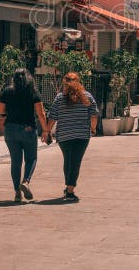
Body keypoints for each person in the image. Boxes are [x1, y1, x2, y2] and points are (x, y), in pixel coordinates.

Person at [44, 72, 99, 202]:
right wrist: (92, 128)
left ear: (65, 82)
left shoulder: (59, 98)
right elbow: (94, 115)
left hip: (64, 135)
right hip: (82, 135)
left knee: (68, 159)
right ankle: (70, 189)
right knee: (76, 161)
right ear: (79, 82)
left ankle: (69, 186)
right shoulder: (87, 96)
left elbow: (52, 116)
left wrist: (47, 131)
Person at [0, 68, 48, 202]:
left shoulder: (7, 91)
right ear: (29, 78)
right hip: (28, 129)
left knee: (16, 161)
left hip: (10, 129)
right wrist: (46, 130)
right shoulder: (33, 92)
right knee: (31, 158)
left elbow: (0, 109)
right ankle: (25, 182)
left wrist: (9, 113)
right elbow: (41, 114)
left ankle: (17, 193)